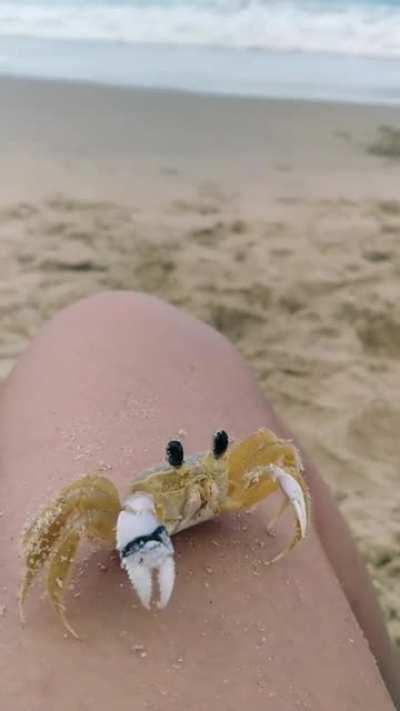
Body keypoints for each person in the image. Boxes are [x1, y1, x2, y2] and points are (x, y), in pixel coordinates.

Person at [0, 291, 398, 711]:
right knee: (78, 500)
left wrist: (279, 496)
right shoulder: (124, 510)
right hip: (152, 516)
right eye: (179, 465)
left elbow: (280, 460)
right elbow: (67, 510)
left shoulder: (221, 473)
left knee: (275, 447)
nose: (198, 483)